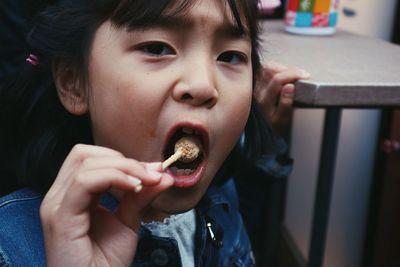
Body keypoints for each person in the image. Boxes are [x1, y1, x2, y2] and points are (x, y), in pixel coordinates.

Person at [0, 0, 309, 266]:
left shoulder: (221, 197)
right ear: (73, 82)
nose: (203, 85)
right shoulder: (11, 246)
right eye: (157, 48)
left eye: (229, 56)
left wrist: (266, 138)